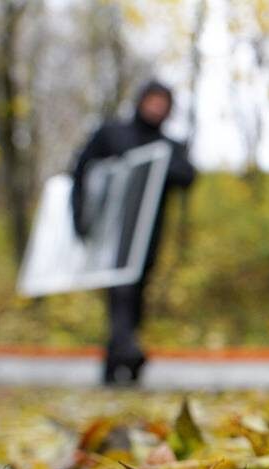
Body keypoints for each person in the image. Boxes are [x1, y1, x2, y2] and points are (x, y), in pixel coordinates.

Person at [70, 80, 196, 386]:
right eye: (152, 100)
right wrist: (79, 219)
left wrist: (157, 166)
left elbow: (188, 176)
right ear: (140, 101)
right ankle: (128, 350)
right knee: (120, 293)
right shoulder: (112, 134)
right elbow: (82, 172)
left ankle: (115, 366)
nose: (156, 108)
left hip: (148, 236)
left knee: (135, 295)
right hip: (111, 233)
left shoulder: (168, 146)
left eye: (162, 103)